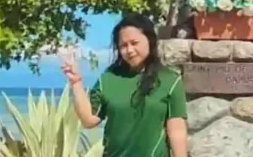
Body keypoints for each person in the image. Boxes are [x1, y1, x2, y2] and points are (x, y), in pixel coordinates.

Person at [62, 14, 188, 157]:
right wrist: (76, 83)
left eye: (134, 43)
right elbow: (89, 120)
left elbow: (177, 132)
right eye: (123, 45)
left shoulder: (170, 80)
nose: (129, 50)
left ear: (150, 40)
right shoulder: (109, 78)